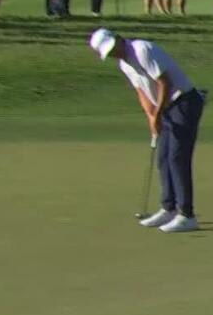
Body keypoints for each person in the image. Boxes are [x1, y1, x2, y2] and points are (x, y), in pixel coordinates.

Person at [88, 27, 205, 234]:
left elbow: (164, 83)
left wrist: (158, 112)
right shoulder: (124, 63)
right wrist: (151, 115)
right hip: (167, 107)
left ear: (119, 39)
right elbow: (141, 90)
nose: (114, 53)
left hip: (184, 102)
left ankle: (187, 215)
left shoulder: (141, 50)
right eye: (109, 52)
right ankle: (168, 208)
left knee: (177, 158)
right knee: (163, 158)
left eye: (113, 48)